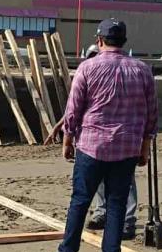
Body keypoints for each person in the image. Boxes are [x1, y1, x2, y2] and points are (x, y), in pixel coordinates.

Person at [42, 19, 158, 252]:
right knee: (116, 205)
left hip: (92, 146)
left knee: (80, 201)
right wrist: (145, 147)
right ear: (124, 42)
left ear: (99, 41)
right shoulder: (142, 71)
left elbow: (74, 110)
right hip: (127, 147)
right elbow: (151, 115)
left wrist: (67, 140)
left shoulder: (88, 67)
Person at [45, 43, 139, 240]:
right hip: (96, 142)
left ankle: (127, 222)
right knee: (101, 183)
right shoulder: (90, 72)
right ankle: (101, 214)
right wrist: (61, 127)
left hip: (119, 139)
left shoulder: (123, 75)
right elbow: (76, 107)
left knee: (123, 187)